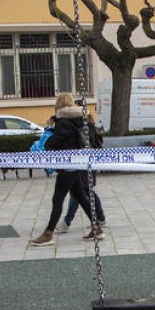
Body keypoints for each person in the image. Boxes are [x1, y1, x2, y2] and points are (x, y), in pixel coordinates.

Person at [29, 93, 100, 247]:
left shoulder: (63, 123)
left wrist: (49, 129)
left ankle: (48, 233)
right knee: (80, 196)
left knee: (57, 199)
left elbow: (51, 144)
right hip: (79, 163)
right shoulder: (82, 119)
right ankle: (97, 227)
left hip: (67, 165)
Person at [59, 115, 107, 233]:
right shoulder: (90, 131)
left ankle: (67, 222)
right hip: (88, 166)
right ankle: (100, 219)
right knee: (87, 192)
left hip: (83, 166)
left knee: (77, 193)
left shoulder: (84, 132)